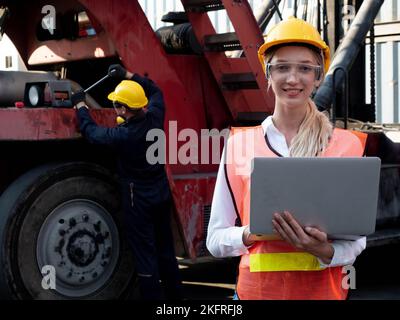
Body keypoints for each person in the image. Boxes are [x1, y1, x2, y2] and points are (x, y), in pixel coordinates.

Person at [206, 17, 367, 300]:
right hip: (256, 295)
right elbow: (215, 240)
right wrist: (251, 234)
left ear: (318, 76)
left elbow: (355, 244)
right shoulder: (240, 145)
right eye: (282, 67)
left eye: (305, 68)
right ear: (268, 74)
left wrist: (322, 250)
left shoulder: (346, 145)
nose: (293, 79)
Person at [71, 64, 182, 300]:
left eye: (116, 105)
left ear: (123, 109)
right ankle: (176, 300)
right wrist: (128, 75)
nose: (114, 109)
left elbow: (91, 132)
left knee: (145, 257)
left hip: (138, 199)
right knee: (165, 251)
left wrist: (81, 105)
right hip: (161, 193)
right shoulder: (155, 115)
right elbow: (155, 91)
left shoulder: (124, 136)